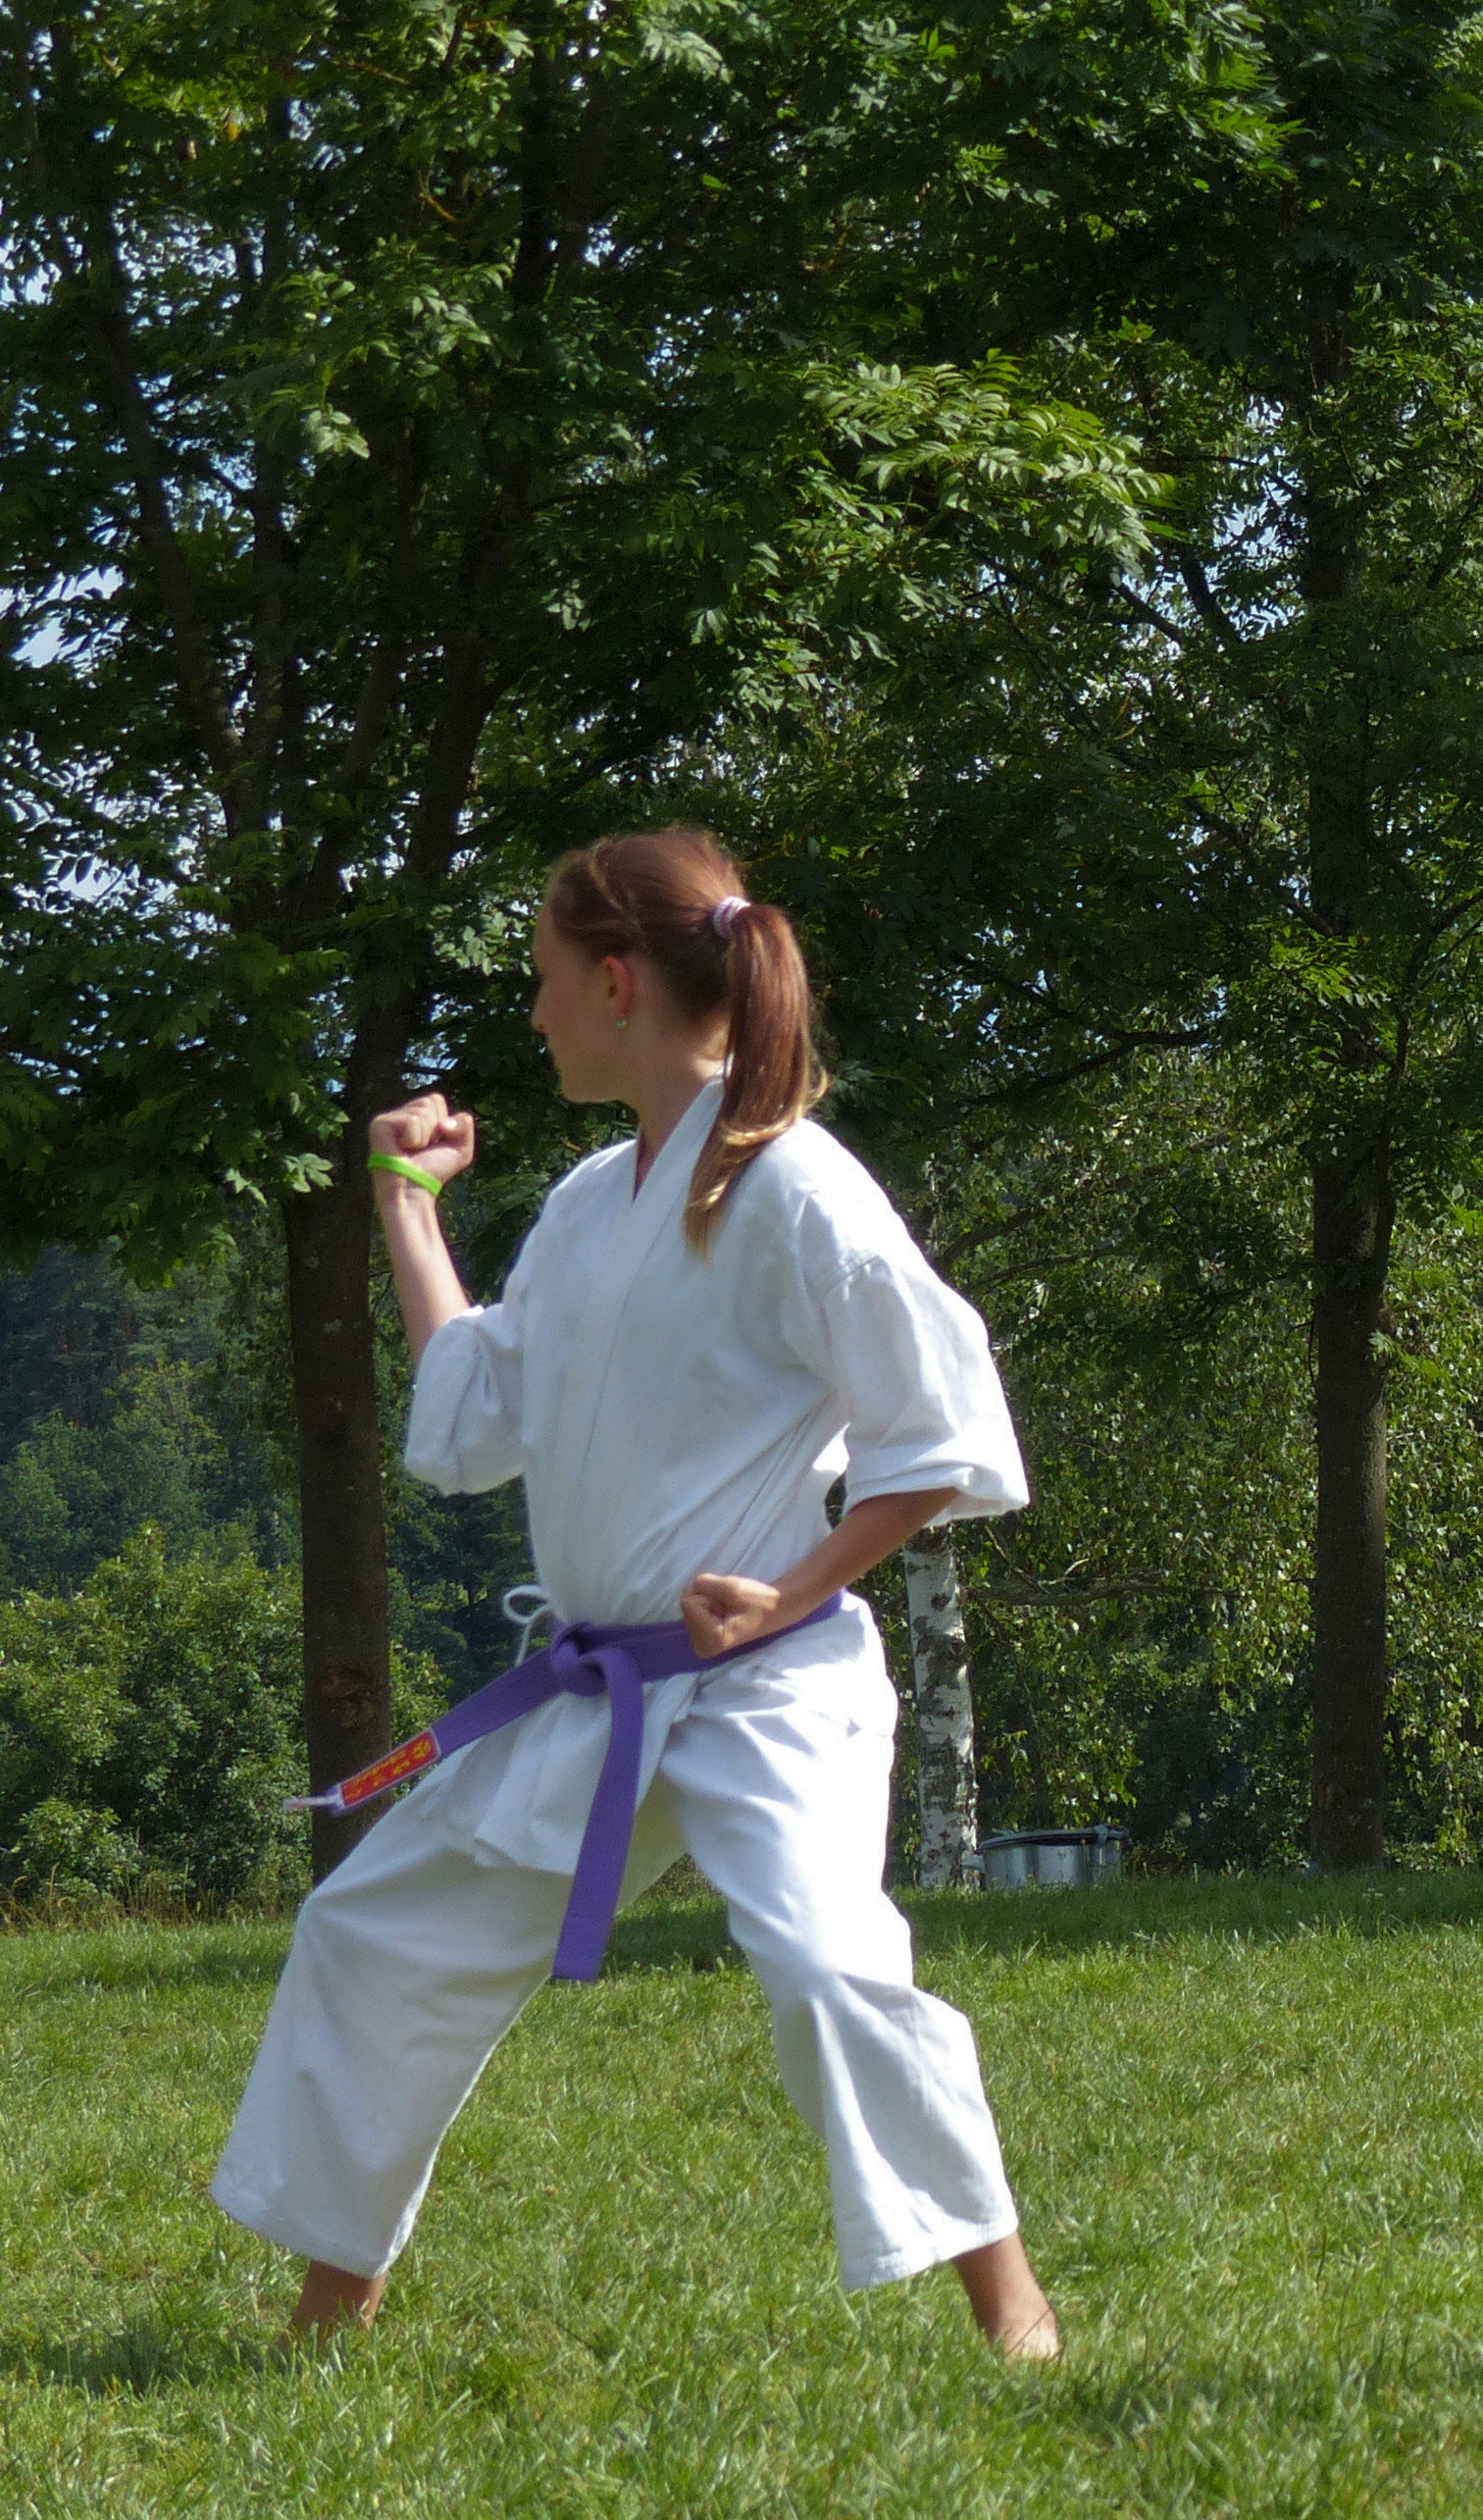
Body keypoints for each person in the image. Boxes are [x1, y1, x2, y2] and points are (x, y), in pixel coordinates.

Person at [212, 828, 1059, 2357]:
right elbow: (479, 1416)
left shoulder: (798, 1189)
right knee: (372, 1932)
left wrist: (793, 1589)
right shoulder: (596, 1200)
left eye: (545, 980)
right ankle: (328, 2320)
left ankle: (1011, 2307)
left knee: (822, 1960)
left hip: (767, 1682)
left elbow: (937, 1435)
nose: (534, 1014)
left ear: (616, 985)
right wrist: (407, 1208)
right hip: (597, 1691)